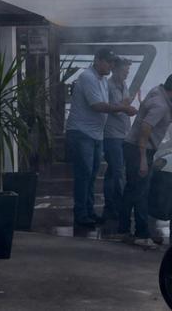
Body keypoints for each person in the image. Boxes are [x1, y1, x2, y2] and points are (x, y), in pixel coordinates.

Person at [65, 48, 137, 228]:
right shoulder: (87, 77)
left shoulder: (102, 80)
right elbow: (97, 105)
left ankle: (88, 211)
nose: (111, 66)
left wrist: (121, 106)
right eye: (108, 62)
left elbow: (107, 104)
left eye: (112, 62)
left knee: (91, 175)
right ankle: (81, 213)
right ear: (97, 60)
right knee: (84, 175)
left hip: (96, 134)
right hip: (82, 132)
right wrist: (122, 108)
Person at [119, 73, 172, 248]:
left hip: (133, 147)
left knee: (131, 190)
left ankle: (123, 230)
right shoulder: (160, 104)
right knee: (142, 192)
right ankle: (142, 234)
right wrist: (143, 158)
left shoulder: (157, 92)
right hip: (139, 150)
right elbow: (145, 127)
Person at [102, 56, 133, 226]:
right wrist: (125, 107)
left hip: (123, 132)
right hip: (112, 133)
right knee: (118, 171)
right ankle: (119, 207)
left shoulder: (124, 84)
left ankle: (110, 207)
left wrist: (124, 106)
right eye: (124, 71)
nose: (126, 74)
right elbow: (114, 108)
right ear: (115, 69)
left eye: (127, 71)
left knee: (113, 172)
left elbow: (124, 104)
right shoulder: (108, 85)